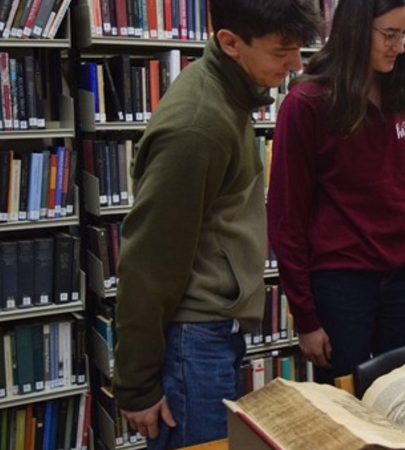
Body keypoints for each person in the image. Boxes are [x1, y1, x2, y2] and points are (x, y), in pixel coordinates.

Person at [112, 1, 321, 448]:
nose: (296, 64)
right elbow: (149, 262)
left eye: (299, 48)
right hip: (192, 343)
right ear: (230, 42)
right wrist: (137, 384)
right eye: (282, 50)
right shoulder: (199, 126)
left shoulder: (231, 93)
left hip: (209, 335)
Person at [267, 0, 405, 384]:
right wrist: (306, 317)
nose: (399, 46)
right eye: (389, 34)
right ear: (354, 30)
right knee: (345, 406)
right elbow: (287, 220)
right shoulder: (307, 104)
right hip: (340, 286)